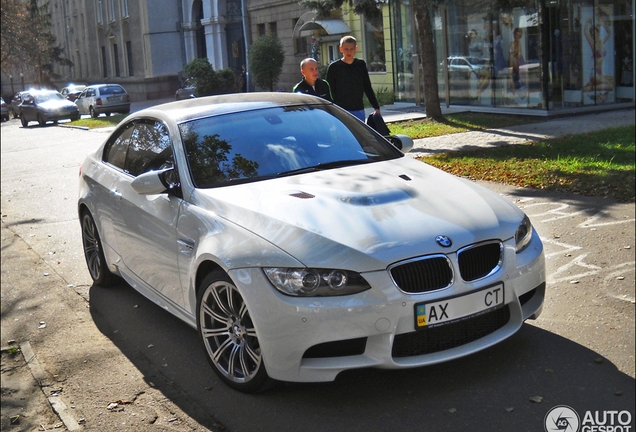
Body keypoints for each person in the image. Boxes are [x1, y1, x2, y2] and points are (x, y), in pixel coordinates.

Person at [326, 36, 380, 121]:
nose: (349, 52)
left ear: (356, 49)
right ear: (341, 49)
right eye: (346, 49)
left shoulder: (361, 65)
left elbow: (367, 87)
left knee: (359, 134)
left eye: (351, 49)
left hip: (358, 109)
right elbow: (329, 91)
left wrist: (376, 107)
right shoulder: (334, 67)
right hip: (341, 110)